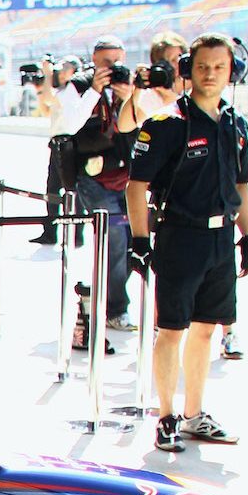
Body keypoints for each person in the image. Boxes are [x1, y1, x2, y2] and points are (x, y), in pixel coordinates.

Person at [126, 33, 248, 452]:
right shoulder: (166, 124)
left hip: (221, 241)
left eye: (220, 67)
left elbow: (243, 184)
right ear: (188, 70)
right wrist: (140, 239)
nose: (211, 74)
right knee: (172, 331)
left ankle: (195, 414)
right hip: (180, 237)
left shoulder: (236, 123)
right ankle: (166, 416)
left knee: (205, 331)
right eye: (202, 67)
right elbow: (136, 185)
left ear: (232, 70)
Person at [62, 35, 138, 333]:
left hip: (127, 176)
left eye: (119, 61)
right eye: (107, 62)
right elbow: (69, 125)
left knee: (133, 243)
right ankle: (116, 308)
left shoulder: (130, 86)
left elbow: (144, 124)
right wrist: (95, 91)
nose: (114, 68)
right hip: (91, 176)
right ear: (94, 60)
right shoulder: (79, 86)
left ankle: (101, 292)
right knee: (116, 239)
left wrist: (131, 97)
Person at [32, 56, 81, 244]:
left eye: (64, 69)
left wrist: (47, 74)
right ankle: (51, 232)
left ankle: (76, 234)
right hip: (57, 143)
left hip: (68, 143)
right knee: (53, 189)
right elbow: (46, 109)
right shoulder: (61, 90)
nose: (59, 73)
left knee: (71, 191)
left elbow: (49, 99)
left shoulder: (72, 88)